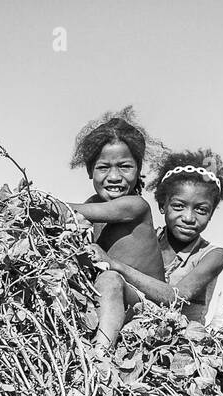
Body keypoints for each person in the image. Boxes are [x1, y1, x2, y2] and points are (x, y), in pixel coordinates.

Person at [64, 108, 166, 349]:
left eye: (125, 167)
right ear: (89, 170)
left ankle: (101, 357)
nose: (114, 177)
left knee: (110, 279)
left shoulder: (136, 206)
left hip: (149, 306)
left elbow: (67, 210)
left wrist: (35, 201)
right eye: (103, 168)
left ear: (139, 169)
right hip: (115, 302)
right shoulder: (90, 206)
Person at [97, 149, 223, 324]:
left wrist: (116, 265)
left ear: (211, 214)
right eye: (178, 206)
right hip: (137, 323)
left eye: (201, 210)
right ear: (162, 206)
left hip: (179, 340)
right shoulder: (147, 238)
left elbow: (177, 298)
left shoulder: (213, 255)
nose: (189, 218)